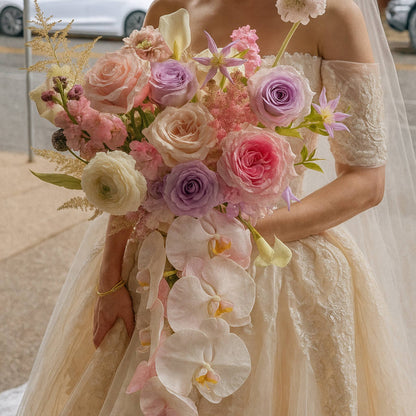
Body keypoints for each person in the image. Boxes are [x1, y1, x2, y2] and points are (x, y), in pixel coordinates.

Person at [17, 0, 416, 414]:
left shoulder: (331, 14)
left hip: (275, 265)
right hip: (159, 267)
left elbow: (367, 181)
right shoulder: (171, 7)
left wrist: (245, 232)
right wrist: (110, 278)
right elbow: (131, 157)